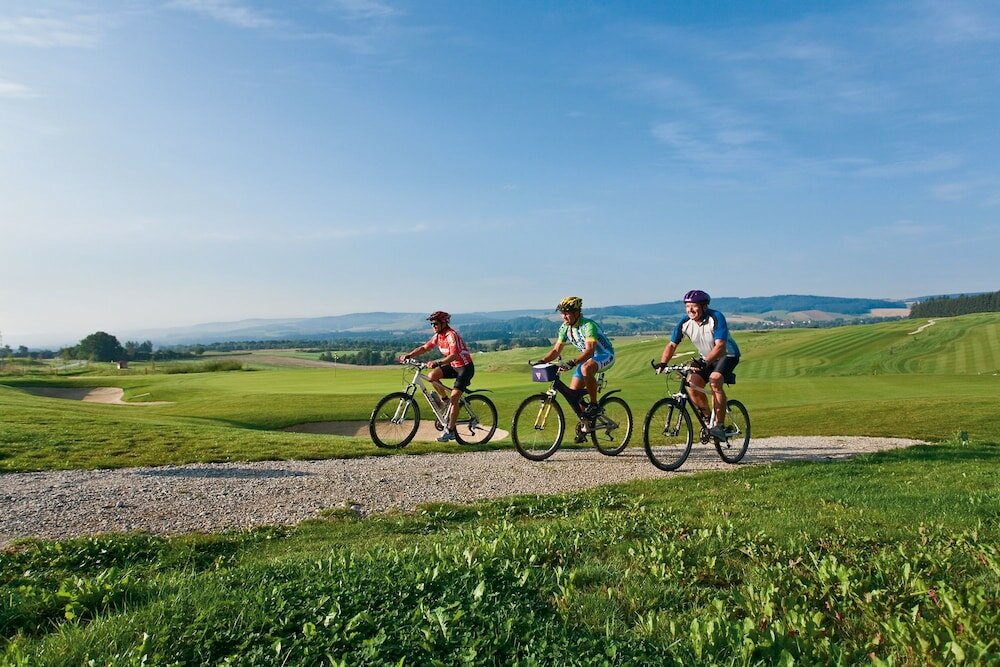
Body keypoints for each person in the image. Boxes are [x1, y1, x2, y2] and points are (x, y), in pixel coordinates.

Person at [657, 289, 741, 440]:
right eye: (687, 306)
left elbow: (720, 346)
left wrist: (704, 362)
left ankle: (719, 426)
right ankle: (709, 420)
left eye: (694, 306)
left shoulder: (715, 317)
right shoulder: (685, 323)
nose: (690, 310)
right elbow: (671, 345)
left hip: (727, 355)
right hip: (706, 357)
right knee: (692, 384)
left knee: (715, 381)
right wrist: (663, 363)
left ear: (704, 306)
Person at [536, 296, 615, 423]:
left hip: (605, 355)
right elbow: (556, 350)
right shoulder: (565, 328)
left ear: (577, 313)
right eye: (562, 313)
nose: (564, 317)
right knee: (573, 395)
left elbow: (590, 351)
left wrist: (573, 362)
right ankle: (586, 425)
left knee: (586, 368)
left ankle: (594, 404)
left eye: (566, 313)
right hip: (586, 359)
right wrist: (542, 361)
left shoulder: (588, 326)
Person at [399, 311, 474, 442]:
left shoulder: (451, 335)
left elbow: (455, 355)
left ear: (444, 323)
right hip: (453, 365)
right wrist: (409, 355)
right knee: (432, 376)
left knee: (455, 397)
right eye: (432, 324)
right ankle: (445, 401)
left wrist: (438, 363)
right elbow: (424, 348)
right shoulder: (438, 336)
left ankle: (450, 431)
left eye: (436, 323)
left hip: (465, 367)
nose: (433, 326)